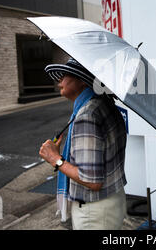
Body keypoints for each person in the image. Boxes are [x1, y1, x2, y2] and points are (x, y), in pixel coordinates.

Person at [38, 58, 127, 230]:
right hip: (111, 200)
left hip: (94, 212)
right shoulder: (104, 103)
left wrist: (55, 159)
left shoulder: (86, 115)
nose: (59, 81)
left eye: (64, 75)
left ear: (81, 80)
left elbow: (92, 181)